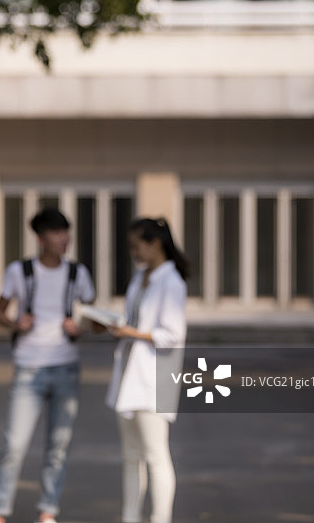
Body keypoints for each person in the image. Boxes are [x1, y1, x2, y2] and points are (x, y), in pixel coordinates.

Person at [0, 208, 95, 523]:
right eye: (57, 233)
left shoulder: (78, 274)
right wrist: (15, 323)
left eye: (66, 232)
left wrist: (81, 326)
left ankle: (48, 510)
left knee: (58, 446)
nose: (64, 239)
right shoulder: (20, 271)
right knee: (14, 444)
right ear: (40, 237)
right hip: (29, 367)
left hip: (66, 367)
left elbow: (95, 318)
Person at [104, 217, 189, 523]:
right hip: (130, 376)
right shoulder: (141, 277)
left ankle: (160, 518)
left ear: (155, 243)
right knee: (130, 457)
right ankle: (130, 517)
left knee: (155, 456)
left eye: (137, 246)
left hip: (154, 379)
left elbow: (173, 335)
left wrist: (131, 332)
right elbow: (132, 319)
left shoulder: (172, 282)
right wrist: (116, 326)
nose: (134, 253)